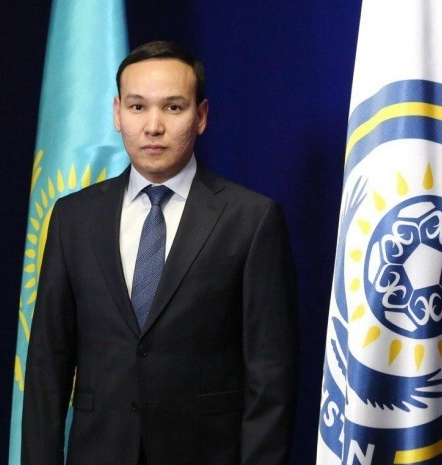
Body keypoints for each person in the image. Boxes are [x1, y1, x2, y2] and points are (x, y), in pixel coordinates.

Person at [22, 41, 298, 465]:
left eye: (172, 107)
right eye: (137, 107)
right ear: (117, 113)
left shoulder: (252, 219)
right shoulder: (73, 217)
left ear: (200, 116)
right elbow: (47, 364)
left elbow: (271, 375)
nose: (153, 126)